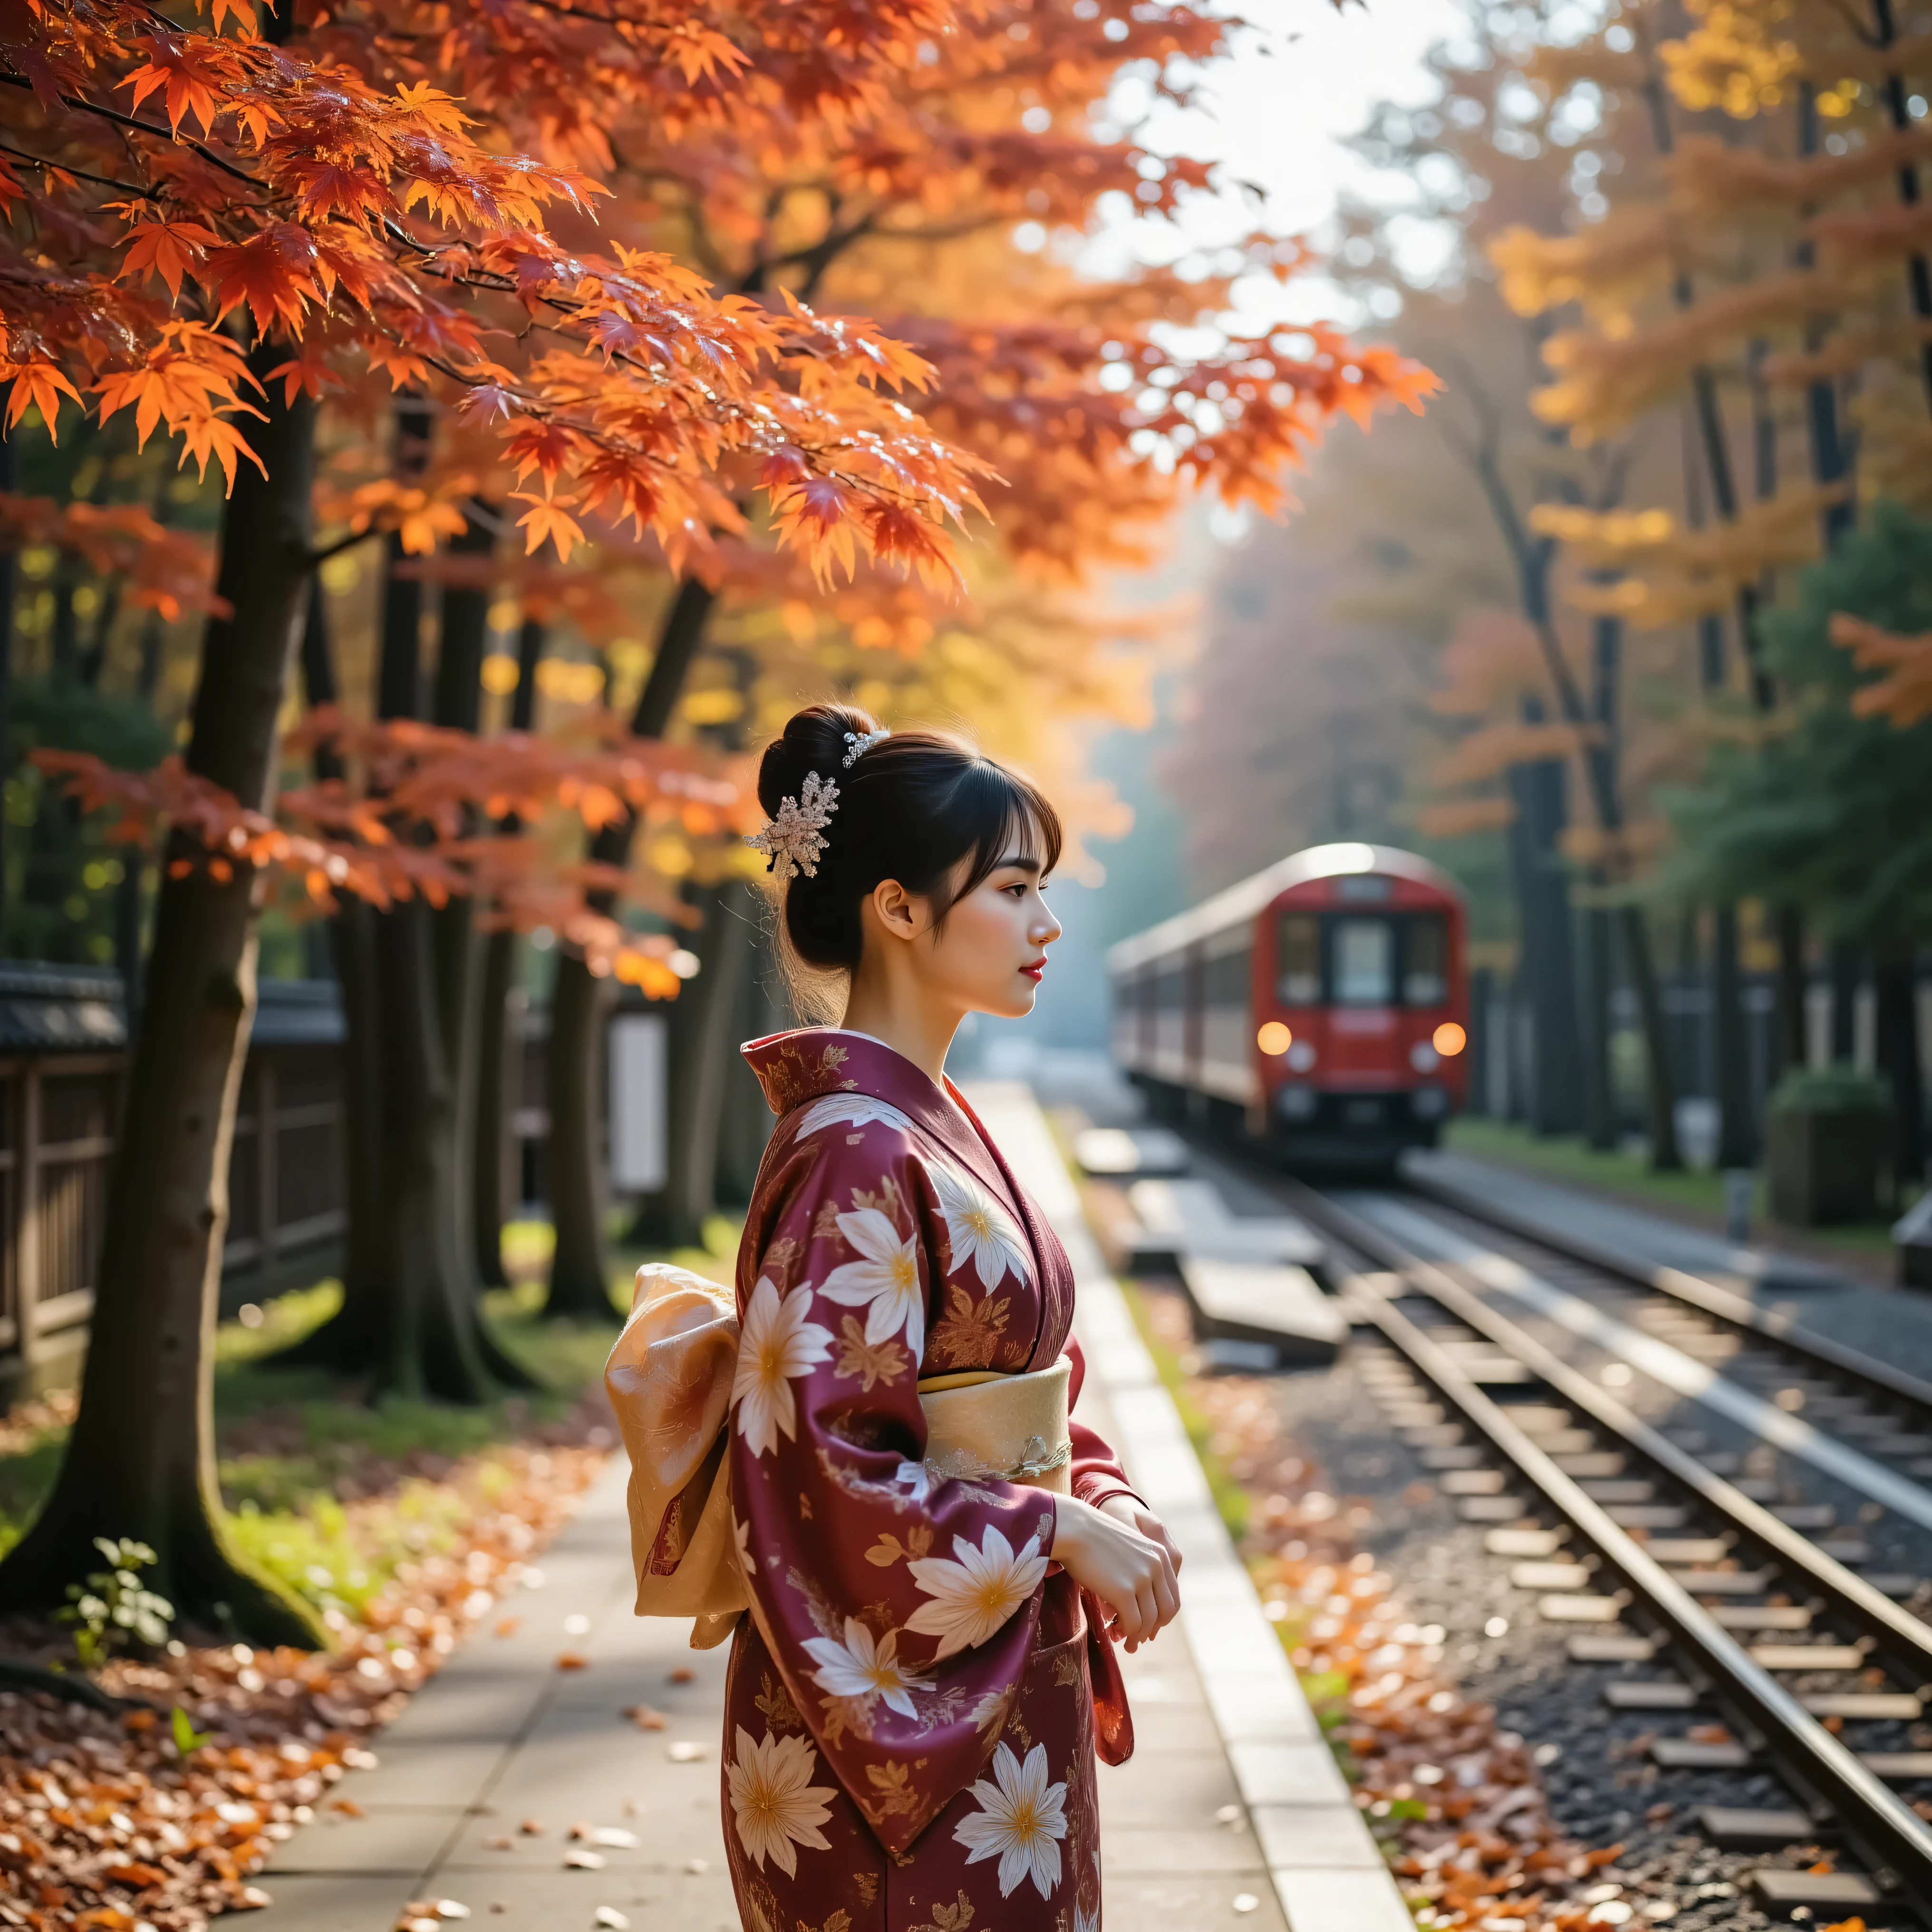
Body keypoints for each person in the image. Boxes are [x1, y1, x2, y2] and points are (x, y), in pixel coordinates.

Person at [611, 703, 1182, 1932]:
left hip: (994, 1691)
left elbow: (1037, 1378)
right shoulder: (854, 1152)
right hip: (890, 1747)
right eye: (1016, 889)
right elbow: (822, 1471)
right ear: (900, 910)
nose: (1048, 924)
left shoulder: (923, 1127)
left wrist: (1102, 1494)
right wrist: (1057, 1532)